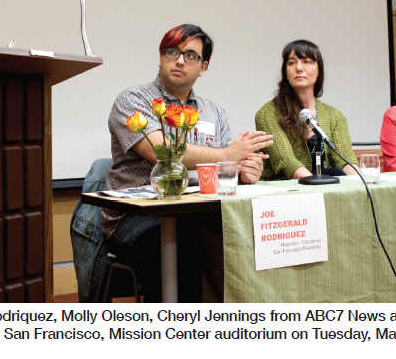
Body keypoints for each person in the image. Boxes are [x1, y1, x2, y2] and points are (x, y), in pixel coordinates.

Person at [102, 24, 273, 301]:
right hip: (138, 216)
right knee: (179, 251)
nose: (180, 60)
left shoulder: (214, 112)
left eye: (191, 55)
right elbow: (161, 151)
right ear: (160, 58)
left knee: (250, 239)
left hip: (199, 212)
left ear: (203, 67)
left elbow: (226, 167)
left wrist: (244, 171)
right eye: (172, 52)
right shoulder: (133, 99)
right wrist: (229, 155)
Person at [255, 40, 357, 180]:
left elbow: (345, 161)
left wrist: (360, 182)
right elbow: (287, 163)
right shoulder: (267, 114)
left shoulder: (335, 116)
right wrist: (319, 188)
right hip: (285, 194)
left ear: (318, 71)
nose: (299, 68)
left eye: (307, 61)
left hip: (326, 191)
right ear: (285, 72)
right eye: (292, 63)